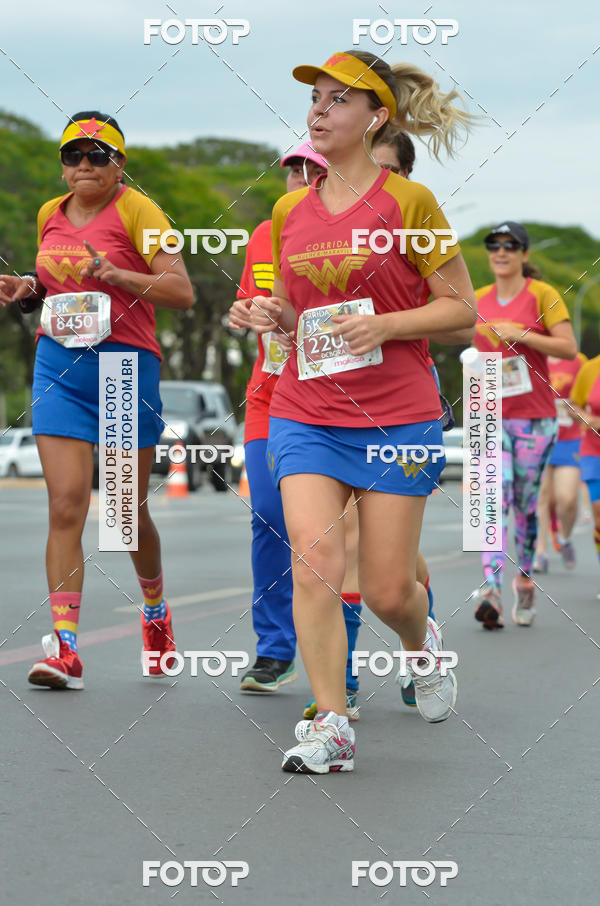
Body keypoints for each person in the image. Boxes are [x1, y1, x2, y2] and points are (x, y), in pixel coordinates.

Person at [248, 49, 478, 773]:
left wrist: (386, 324)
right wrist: (269, 314)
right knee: (314, 564)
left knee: (386, 588)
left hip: (396, 416)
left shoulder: (409, 204)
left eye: (337, 100)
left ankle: (423, 644)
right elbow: (302, 312)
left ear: (376, 116)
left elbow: (463, 314)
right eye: (314, 98)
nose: (318, 111)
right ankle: (333, 725)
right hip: (306, 408)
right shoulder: (290, 209)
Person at [0, 112, 194, 688]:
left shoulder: (140, 211)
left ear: (119, 164)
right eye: (73, 156)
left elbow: (181, 291)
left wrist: (119, 274)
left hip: (121, 368)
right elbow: (57, 286)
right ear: (62, 166)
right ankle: (64, 648)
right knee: (64, 506)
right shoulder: (48, 215)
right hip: (59, 363)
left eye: (97, 155)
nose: (84, 166)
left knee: (123, 515)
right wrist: (27, 290)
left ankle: (155, 613)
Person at [233, 143, 365, 719]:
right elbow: (249, 308)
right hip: (274, 396)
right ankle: (275, 649)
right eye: (294, 167)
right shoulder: (266, 233)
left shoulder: (356, 228)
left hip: (346, 402)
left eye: (313, 168)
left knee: (355, 547)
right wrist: (245, 315)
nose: (301, 176)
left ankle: (354, 662)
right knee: (268, 516)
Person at [471, 222, 577, 629]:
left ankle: (525, 579)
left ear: (524, 255)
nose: (501, 252)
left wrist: (523, 335)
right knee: (492, 499)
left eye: (510, 246)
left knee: (525, 505)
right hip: (488, 414)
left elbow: (568, 347)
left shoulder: (543, 295)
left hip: (534, 417)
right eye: (494, 245)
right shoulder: (477, 300)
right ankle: (491, 589)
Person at [533, 352, 587, 572]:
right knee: (541, 495)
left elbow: (586, 396)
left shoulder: (577, 360)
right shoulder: (534, 356)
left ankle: (565, 538)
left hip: (570, 438)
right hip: (539, 433)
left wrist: (577, 410)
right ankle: (540, 552)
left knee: (567, 499)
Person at [571, 354, 600, 595]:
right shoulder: (591, 368)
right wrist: (587, 418)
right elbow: (573, 405)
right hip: (594, 450)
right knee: (599, 512)